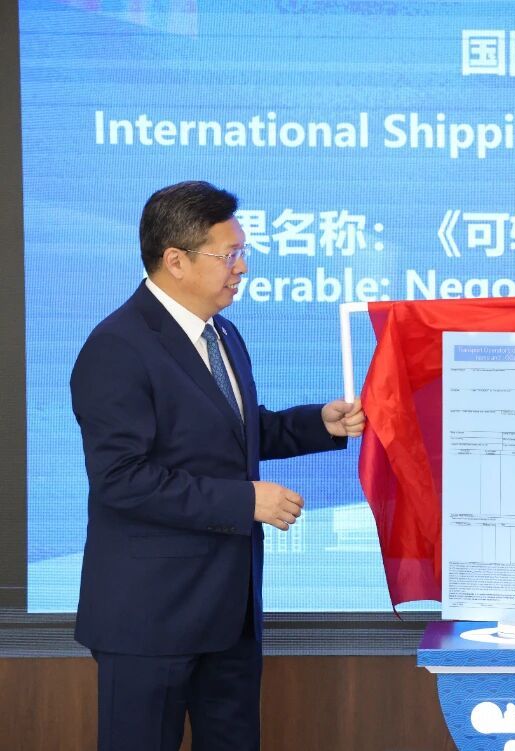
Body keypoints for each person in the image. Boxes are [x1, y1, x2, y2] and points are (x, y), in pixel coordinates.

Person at [70, 180, 365, 751]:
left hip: (229, 613)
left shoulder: (222, 333)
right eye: (228, 255)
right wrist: (246, 500)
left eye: (242, 253)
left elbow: (234, 433)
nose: (242, 268)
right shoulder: (117, 347)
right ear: (175, 260)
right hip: (150, 618)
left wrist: (319, 423)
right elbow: (121, 479)